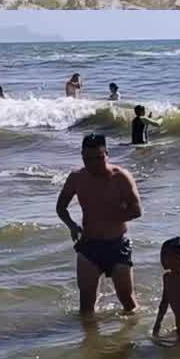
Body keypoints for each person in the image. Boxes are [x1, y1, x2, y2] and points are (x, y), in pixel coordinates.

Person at [56, 134, 143, 314]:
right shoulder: (77, 178)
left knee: (128, 302)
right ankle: (90, 341)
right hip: (89, 246)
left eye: (98, 158)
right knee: (86, 307)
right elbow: (61, 207)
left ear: (107, 154)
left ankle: (131, 338)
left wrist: (111, 216)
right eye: (88, 159)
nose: (93, 164)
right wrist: (72, 226)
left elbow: (136, 210)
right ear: (82, 156)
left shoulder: (121, 177)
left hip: (117, 244)